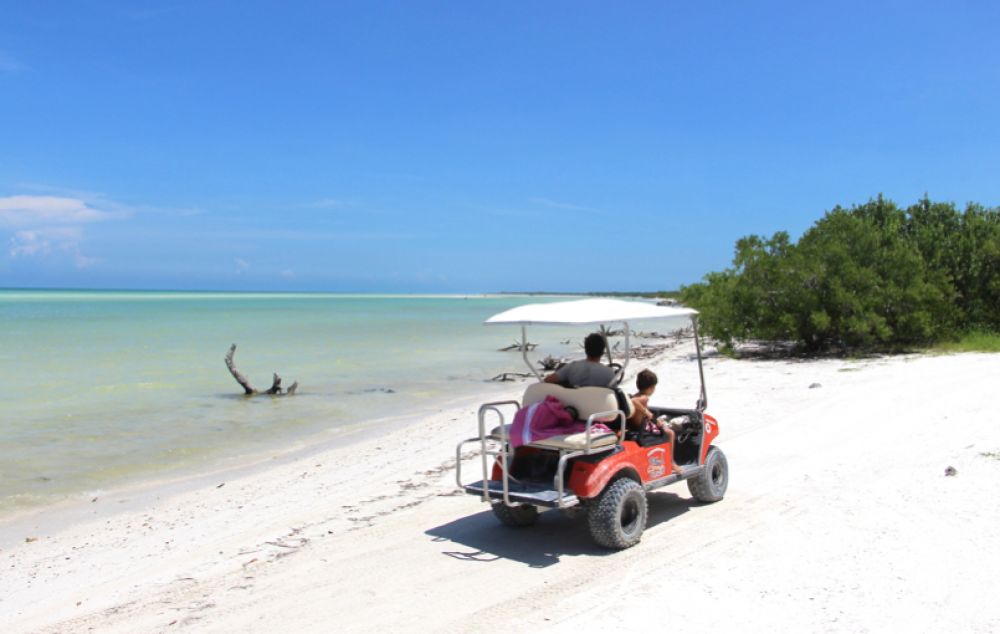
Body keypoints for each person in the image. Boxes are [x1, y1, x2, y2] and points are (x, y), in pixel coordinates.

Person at [628, 369, 683, 474]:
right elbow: (634, 402)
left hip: (635, 426)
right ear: (651, 388)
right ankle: (671, 462)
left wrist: (652, 418)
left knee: (661, 424)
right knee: (670, 433)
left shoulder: (636, 395)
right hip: (642, 429)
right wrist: (646, 412)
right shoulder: (643, 398)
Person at [544, 333, 615, 387]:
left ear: (586, 350)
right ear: (602, 352)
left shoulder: (571, 367)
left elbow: (547, 380)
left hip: (575, 404)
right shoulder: (609, 373)